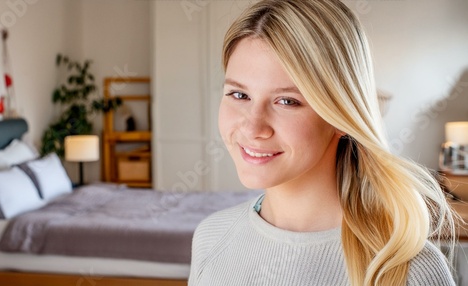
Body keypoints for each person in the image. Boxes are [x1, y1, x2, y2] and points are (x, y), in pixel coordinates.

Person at [188, 0, 458, 285]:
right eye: (239, 95)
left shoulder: (408, 271)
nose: (253, 127)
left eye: (287, 101)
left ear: (340, 115)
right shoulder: (210, 238)